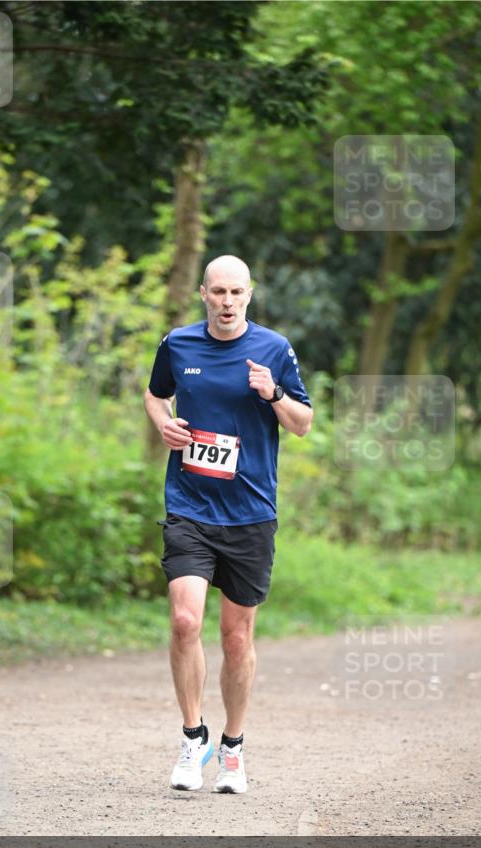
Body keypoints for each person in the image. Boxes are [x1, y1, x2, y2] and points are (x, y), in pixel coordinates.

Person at [144, 255, 313, 794]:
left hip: (250, 513)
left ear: (250, 294)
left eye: (236, 292)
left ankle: (233, 749)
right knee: (184, 622)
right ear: (202, 293)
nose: (226, 301)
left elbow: (304, 423)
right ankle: (194, 739)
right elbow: (155, 395)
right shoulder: (178, 344)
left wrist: (274, 394)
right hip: (190, 505)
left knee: (236, 639)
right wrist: (165, 425)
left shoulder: (273, 349)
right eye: (217, 292)